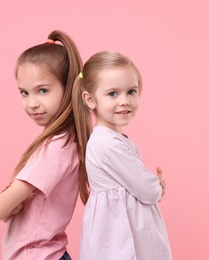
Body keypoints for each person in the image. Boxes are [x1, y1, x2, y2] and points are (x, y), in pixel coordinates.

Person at [0, 30, 87, 260]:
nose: (32, 103)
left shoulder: (55, 148)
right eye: (24, 93)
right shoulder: (63, 142)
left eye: (43, 90)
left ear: (69, 87)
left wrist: (0, 202)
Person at [72, 51, 172, 259]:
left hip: (120, 235)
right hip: (119, 241)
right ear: (90, 99)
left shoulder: (111, 140)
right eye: (113, 94)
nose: (124, 100)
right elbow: (147, 189)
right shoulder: (108, 144)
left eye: (131, 92)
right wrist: (157, 186)